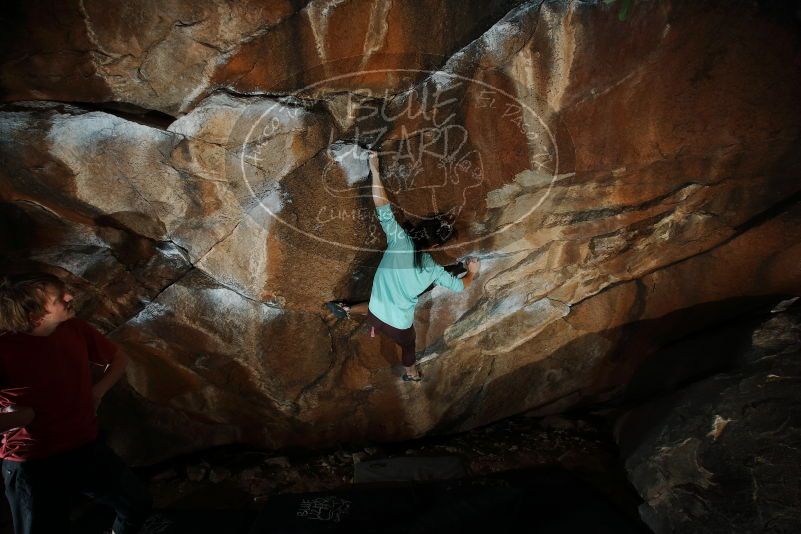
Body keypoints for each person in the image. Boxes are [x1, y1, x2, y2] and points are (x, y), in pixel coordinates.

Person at [0, 272, 151, 534]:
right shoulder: (5, 350)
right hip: (34, 462)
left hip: (84, 446)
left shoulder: (74, 329)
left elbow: (118, 358)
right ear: (35, 315)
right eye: (59, 298)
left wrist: (97, 393)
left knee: (137, 503)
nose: (70, 296)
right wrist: (17, 418)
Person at [327, 151, 480, 382]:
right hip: (397, 326)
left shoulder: (400, 242)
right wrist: (471, 272)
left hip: (375, 313)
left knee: (376, 305)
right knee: (408, 347)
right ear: (435, 245)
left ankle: (347, 309)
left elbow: (382, 207)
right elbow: (461, 286)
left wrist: (375, 170)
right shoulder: (433, 270)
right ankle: (412, 374)